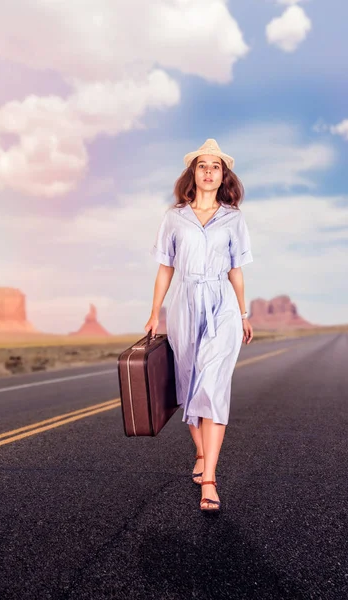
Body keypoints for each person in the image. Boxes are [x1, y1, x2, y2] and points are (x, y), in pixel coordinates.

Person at [144, 138, 254, 512]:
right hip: (184, 305)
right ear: (193, 173)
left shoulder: (234, 218)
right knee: (190, 385)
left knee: (214, 385)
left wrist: (243, 313)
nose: (209, 171)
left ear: (224, 176)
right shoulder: (174, 217)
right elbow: (165, 268)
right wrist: (154, 312)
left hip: (222, 304)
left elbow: (236, 270)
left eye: (216, 166)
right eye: (202, 165)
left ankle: (210, 480)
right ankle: (202, 451)